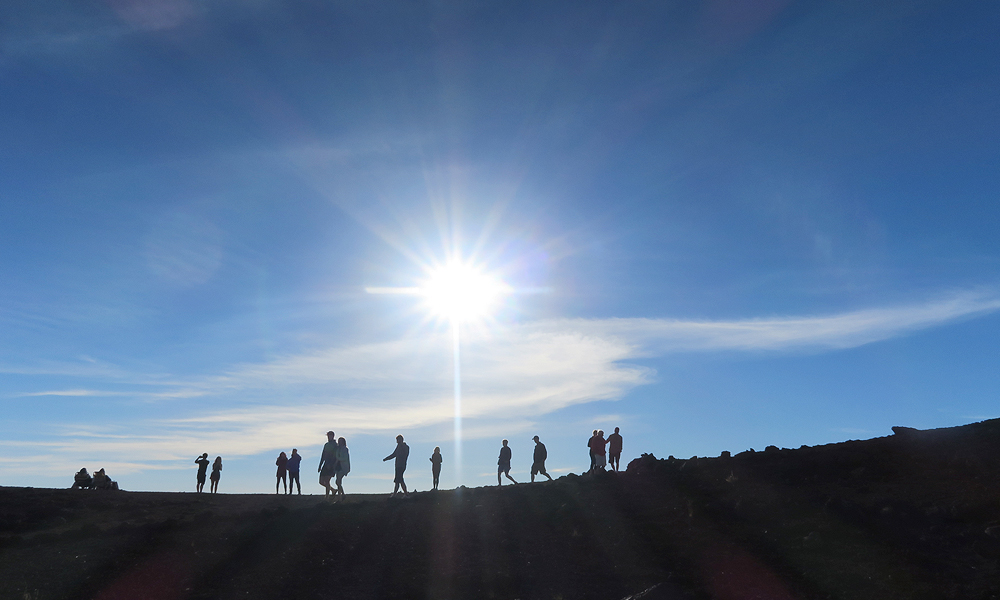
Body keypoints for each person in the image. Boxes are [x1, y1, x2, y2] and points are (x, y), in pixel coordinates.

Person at [318, 431, 339, 498]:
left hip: (331, 464)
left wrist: (332, 465)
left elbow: (335, 456)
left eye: (330, 436)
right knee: (321, 481)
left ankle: (327, 497)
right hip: (326, 463)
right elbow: (323, 455)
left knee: (327, 481)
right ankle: (333, 490)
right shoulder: (326, 445)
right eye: (328, 436)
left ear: (333, 436)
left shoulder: (335, 445)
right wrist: (320, 465)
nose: (328, 437)